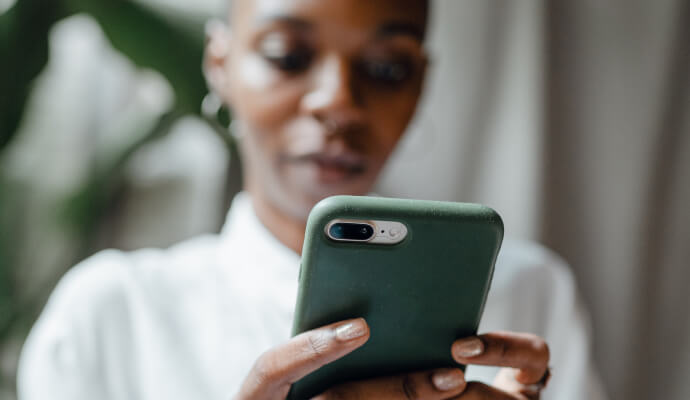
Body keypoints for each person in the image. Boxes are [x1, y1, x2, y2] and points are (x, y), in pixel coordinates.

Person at [17, 0, 606, 399]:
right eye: (288, 57)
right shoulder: (111, 315)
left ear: (421, 82)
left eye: (385, 67)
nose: (338, 101)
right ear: (220, 65)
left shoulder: (531, 292)